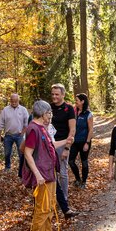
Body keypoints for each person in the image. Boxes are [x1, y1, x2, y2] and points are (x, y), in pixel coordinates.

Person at [21, 100, 68, 231]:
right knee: (42, 208)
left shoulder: (43, 128)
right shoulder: (33, 129)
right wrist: (37, 174)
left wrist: (66, 141)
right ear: (42, 113)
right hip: (42, 175)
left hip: (50, 173)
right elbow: (27, 153)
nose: (50, 116)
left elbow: (50, 146)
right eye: (49, 113)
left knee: (50, 206)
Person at [50, 84, 80, 218]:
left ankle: (64, 200)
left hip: (63, 143)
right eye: (53, 94)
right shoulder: (48, 108)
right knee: (50, 173)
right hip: (49, 144)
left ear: (63, 95)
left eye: (57, 94)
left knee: (62, 173)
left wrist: (67, 148)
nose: (55, 97)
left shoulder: (69, 109)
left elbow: (72, 129)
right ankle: (52, 198)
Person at [0, 93, 30, 175]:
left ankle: (22, 169)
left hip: (19, 135)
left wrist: (22, 134)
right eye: (12, 100)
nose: (14, 102)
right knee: (7, 153)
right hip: (8, 135)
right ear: (10, 100)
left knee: (22, 153)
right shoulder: (5, 110)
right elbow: (1, 123)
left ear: (18, 100)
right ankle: (7, 167)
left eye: (16, 101)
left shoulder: (23, 110)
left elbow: (27, 123)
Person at [69, 93, 94, 188]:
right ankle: (78, 179)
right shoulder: (74, 112)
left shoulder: (88, 114)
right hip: (74, 142)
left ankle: (84, 181)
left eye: (77, 101)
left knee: (84, 162)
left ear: (82, 101)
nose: (75, 102)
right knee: (71, 161)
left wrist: (87, 142)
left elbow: (91, 129)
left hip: (84, 142)